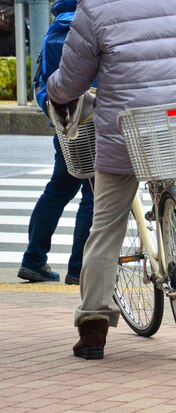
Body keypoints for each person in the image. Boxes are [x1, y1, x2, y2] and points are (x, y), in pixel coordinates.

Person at [45, 0, 176, 359]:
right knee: (168, 178)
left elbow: (72, 80)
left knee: (105, 228)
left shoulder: (94, 9)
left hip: (124, 136)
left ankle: (93, 329)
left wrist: (54, 91)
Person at [17, 0, 93, 286]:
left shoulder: (56, 28)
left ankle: (33, 260)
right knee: (94, 194)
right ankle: (80, 268)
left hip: (66, 124)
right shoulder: (94, 24)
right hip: (97, 122)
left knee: (58, 190)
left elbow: (45, 82)